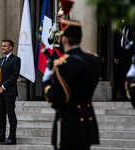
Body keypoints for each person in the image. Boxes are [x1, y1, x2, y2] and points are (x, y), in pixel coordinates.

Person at [42, 18, 100, 150]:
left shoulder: (63, 64)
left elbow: (55, 101)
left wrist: (46, 81)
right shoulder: (93, 60)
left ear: (63, 39)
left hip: (68, 124)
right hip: (87, 122)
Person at [0, 39, 21, 145]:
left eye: (5, 46)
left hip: (9, 92)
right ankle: (1, 136)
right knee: (1, 115)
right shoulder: (0, 60)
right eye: (2, 45)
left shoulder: (16, 59)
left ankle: (12, 138)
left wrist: (3, 86)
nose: (2, 47)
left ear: (11, 47)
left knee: (11, 115)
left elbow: (14, 75)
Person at [114, 23, 135, 101]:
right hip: (122, 53)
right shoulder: (122, 28)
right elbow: (119, 42)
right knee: (123, 74)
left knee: (129, 75)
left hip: (129, 53)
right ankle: (124, 94)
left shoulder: (133, 28)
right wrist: (117, 55)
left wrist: (134, 55)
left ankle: (130, 95)